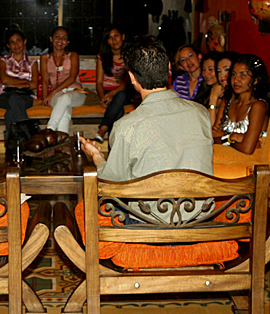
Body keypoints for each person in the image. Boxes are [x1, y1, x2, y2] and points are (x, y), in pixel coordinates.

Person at [79, 35, 213, 223]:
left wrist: (98, 158)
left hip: (150, 228)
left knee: (86, 206)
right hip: (199, 222)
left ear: (132, 78)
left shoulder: (126, 126)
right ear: (168, 68)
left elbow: (111, 185)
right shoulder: (202, 114)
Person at [213, 54, 270, 155]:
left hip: (249, 165)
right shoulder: (227, 101)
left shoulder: (258, 106)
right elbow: (212, 138)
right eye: (233, 74)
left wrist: (226, 138)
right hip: (223, 161)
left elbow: (247, 149)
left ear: (255, 80)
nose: (236, 80)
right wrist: (232, 137)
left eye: (243, 75)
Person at [40, 26, 86, 136]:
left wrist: (52, 93)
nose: (60, 40)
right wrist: (45, 98)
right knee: (65, 112)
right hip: (57, 95)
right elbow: (45, 81)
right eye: (57, 37)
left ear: (68, 42)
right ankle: (62, 144)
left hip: (76, 93)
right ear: (51, 39)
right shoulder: (45, 58)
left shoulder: (73, 55)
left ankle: (49, 130)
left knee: (65, 98)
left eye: (64, 38)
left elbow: (72, 78)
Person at [0, 29, 39, 134]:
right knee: (13, 99)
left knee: (10, 112)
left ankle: (13, 141)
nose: (16, 44)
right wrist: (25, 83)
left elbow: (34, 84)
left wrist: (12, 84)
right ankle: (28, 133)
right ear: (8, 45)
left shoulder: (33, 63)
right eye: (12, 42)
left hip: (26, 97)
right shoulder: (3, 60)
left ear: (24, 42)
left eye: (18, 40)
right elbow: (4, 79)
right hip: (5, 96)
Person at [94, 25, 129, 143]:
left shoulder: (130, 56)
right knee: (118, 110)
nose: (114, 40)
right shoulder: (102, 57)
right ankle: (113, 149)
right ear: (107, 41)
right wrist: (103, 98)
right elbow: (99, 82)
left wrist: (112, 94)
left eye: (116, 36)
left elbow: (128, 83)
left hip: (125, 92)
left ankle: (103, 128)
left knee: (121, 96)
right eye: (110, 37)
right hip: (108, 93)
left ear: (123, 37)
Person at [194, 51, 222, 125]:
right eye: (203, 69)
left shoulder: (224, 96)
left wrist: (214, 98)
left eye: (210, 69)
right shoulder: (204, 91)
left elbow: (210, 125)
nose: (206, 74)